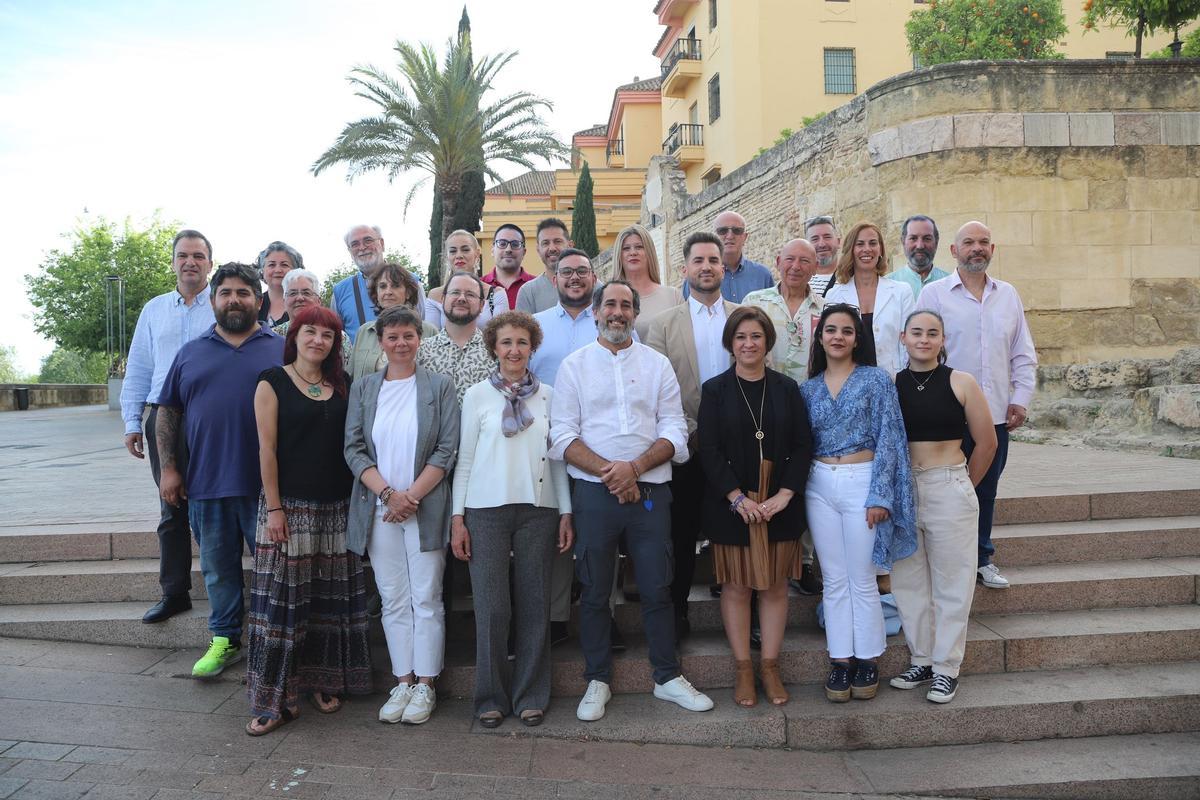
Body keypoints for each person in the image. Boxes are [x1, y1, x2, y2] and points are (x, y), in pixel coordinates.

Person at [549, 280, 714, 721]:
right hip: (594, 494)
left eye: (626, 305)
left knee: (658, 586)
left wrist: (634, 469)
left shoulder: (658, 365)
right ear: (597, 312)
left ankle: (666, 677)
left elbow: (676, 432)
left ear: (635, 313)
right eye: (610, 305)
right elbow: (562, 434)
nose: (618, 312)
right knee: (596, 589)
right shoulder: (574, 366)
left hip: (651, 493)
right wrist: (613, 472)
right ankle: (597, 678)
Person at [245, 305, 371, 735]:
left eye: (328, 335)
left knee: (326, 602)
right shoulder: (272, 381)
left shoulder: (343, 386)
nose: (318, 340)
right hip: (288, 509)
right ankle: (275, 698)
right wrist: (276, 508)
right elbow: (266, 450)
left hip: (336, 509)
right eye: (310, 332)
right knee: (282, 605)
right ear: (294, 335)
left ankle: (321, 679)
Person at [155, 263, 284, 678]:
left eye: (243, 293)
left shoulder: (282, 350)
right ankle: (225, 639)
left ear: (258, 301)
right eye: (226, 292)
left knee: (274, 568)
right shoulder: (190, 353)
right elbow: (167, 412)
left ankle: (274, 641)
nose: (234, 300)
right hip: (207, 483)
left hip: (267, 489)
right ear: (213, 301)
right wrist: (169, 470)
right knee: (218, 569)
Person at [451, 311, 573, 728]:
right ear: (494, 347)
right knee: (492, 607)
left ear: (532, 347)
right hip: (484, 511)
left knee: (535, 603)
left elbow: (558, 458)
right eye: (506, 342)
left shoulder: (549, 396)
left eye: (522, 342)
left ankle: (531, 694)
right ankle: (489, 695)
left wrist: (566, 511)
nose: (514, 350)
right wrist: (457, 518)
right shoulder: (476, 396)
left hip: (539, 510)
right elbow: (464, 460)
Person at [344, 305, 459, 725]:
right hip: (378, 509)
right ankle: (403, 680)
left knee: (426, 597)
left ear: (418, 338)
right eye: (391, 337)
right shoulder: (365, 388)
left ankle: (426, 685)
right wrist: (389, 495)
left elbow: (446, 449)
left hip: (424, 508)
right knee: (393, 598)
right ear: (381, 341)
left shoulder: (438, 387)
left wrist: (409, 496)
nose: (400, 343)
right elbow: (353, 449)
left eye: (408, 335)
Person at [800, 303, 916, 703]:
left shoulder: (876, 380)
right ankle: (840, 660)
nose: (837, 337)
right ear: (820, 337)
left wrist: (881, 493)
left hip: (862, 481)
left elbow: (890, 438)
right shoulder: (808, 388)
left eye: (846, 331)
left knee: (863, 577)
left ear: (857, 338)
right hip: (819, 485)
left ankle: (868, 658)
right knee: (833, 579)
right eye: (830, 329)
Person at [697, 307, 812, 707]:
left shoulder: (786, 389)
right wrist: (737, 497)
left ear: (768, 343)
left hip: (780, 504)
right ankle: (744, 669)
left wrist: (784, 495)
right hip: (733, 505)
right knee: (737, 586)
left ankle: (770, 667)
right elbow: (707, 450)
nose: (749, 344)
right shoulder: (714, 390)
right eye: (741, 337)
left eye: (757, 337)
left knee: (776, 585)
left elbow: (802, 446)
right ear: (731, 343)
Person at [917, 220, 1037, 591]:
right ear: (953, 251)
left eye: (984, 242)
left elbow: (1023, 352)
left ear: (992, 249)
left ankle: (982, 558)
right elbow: (919, 351)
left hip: (996, 413)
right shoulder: (934, 294)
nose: (976, 248)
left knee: (984, 489)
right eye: (968, 242)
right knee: (944, 489)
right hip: (947, 417)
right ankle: (942, 560)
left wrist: (1020, 398)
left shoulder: (1008, 295)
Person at [889, 310, 996, 704]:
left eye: (932, 333)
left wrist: (965, 483)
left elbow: (987, 442)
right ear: (903, 337)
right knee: (908, 581)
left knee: (953, 583)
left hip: (949, 483)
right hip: (905, 491)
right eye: (916, 332)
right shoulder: (891, 384)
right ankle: (922, 658)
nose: (924, 339)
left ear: (942, 339)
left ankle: (947, 668)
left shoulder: (961, 382)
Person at [121, 229, 216, 624]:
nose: (190, 262)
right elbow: (140, 366)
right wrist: (131, 420)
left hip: (211, 420)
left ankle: (225, 593)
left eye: (198, 255)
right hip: (163, 420)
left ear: (210, 262)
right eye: (183, 255)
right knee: (171, 508)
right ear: (174, 261)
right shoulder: (154, 309)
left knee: (215, 509)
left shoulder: (224, 304)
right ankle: (174, 592)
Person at [645, 232, 736, 641]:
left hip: (734, 448)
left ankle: (743, 615)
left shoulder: (742, 318)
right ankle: (677, 611)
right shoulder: (663, 325)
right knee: (679, 535)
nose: (706, 267)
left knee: (736, 533)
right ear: (685, 269)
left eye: (713, 260)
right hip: (684, 447)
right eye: (698, 260)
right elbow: (657, 389)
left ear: (723, 266)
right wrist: (692, 432)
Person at [741, 238, 825, 596]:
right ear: (777, 260)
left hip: (811, 406)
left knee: (804, 481)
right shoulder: (755, 303)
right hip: (763, 404)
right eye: (789, 259)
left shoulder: (825, 306)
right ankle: (756, 557)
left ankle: (803, 562)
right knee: (763, 475)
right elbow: (740, 347)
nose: (796, 266)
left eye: (804, 261)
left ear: (815, 266)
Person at [528, 249, 602, 646]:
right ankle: (555, 618)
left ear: (594, 277)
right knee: (555, 529)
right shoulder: (535, 327)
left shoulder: (611, 320)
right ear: (554, 279)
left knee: (599, 536)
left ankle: (601, 616)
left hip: (602, 445)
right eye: (566, 272)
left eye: (582, 271)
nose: (574, 277)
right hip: (549, 445)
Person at [825, 221, 914, 378]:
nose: (867, 249)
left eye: (873, 243)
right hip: (849, 384)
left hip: (894, 382)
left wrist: (904, 380)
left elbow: (909, 342)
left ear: (880, 249)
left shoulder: (901, 291)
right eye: (860, 244)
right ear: (851, 250)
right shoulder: (835, 295)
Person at [332, 224, 425, 342]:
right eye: (355, 244)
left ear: (382, 243)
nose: (362, 248)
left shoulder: (412, 281)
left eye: (368, 240)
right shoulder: (340, 291)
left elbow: (425, 324)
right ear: (349, 251)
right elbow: (337, 337)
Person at [348, 263, 437, 381]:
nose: (388, 292)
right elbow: (350, 377)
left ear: (408, 293)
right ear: (376, 293)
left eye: (395, 286)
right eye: (383, 286)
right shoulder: (364, 332)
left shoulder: (429, 331)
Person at [417, 271, 495, 405]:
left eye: (470, 294)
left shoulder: (495, 353)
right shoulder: (421, 351)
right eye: (455, 292)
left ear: (482, 305)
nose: (461, 298)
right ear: (442, 300)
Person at [610, 223, 683, 340]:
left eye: (639, 247)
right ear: (619, 255)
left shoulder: (673, 296)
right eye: (626, 248)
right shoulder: (608, 299)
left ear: (649, 252)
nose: (633, 252)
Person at [425, 230, 509, 329]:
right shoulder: (435, 296)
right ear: (447, 257)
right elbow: (431, 337)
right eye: (453, 251)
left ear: (477, 254)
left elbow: (502, 336)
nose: (459, 255)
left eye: (465, 250)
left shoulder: (496, 294)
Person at [683, 211, 773, 302]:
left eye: (737, 231)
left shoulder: (762, 275)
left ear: (745, 237)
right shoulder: (695, 279)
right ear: (714, 236)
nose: (730, 236)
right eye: (723, 231)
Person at [271, 270, 351, 368]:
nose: (299, 298)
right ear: (284, 301)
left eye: (306, 293)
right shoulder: (272, 337)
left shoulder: (339, 337)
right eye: (293, 293)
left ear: (318, 301)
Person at [515, 218, 573, 314]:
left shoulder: (592, 286)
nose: (552, 248)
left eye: (558, 241)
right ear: (538, 249)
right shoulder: (528, 292)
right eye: (545, 243)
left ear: (570, 245)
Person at [887, 215, 949, 300]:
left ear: (936, 242)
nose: (920, 246)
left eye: (927, 239)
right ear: (903, 242)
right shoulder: (887, 285)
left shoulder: (951, 284)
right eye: (913, 238)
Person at [484, 223, 536, 310]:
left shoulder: (536, 286)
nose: (508, 249)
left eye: (515, 244)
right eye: (502, 244)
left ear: (524, 252)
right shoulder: (479, 286)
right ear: (493, 251)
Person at [256, 241, 302, 326]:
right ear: (262, 270)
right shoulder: (253, 305)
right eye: (271, 265)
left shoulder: (304, 303)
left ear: (295, 270)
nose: (278, 270)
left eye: (284, 265)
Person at [804, 216, 841, 297]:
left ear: (838, 242)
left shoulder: (853, 278)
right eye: (815, 239)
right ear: (806, 246)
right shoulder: (800, 282)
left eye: (827, 237)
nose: (822, 244)